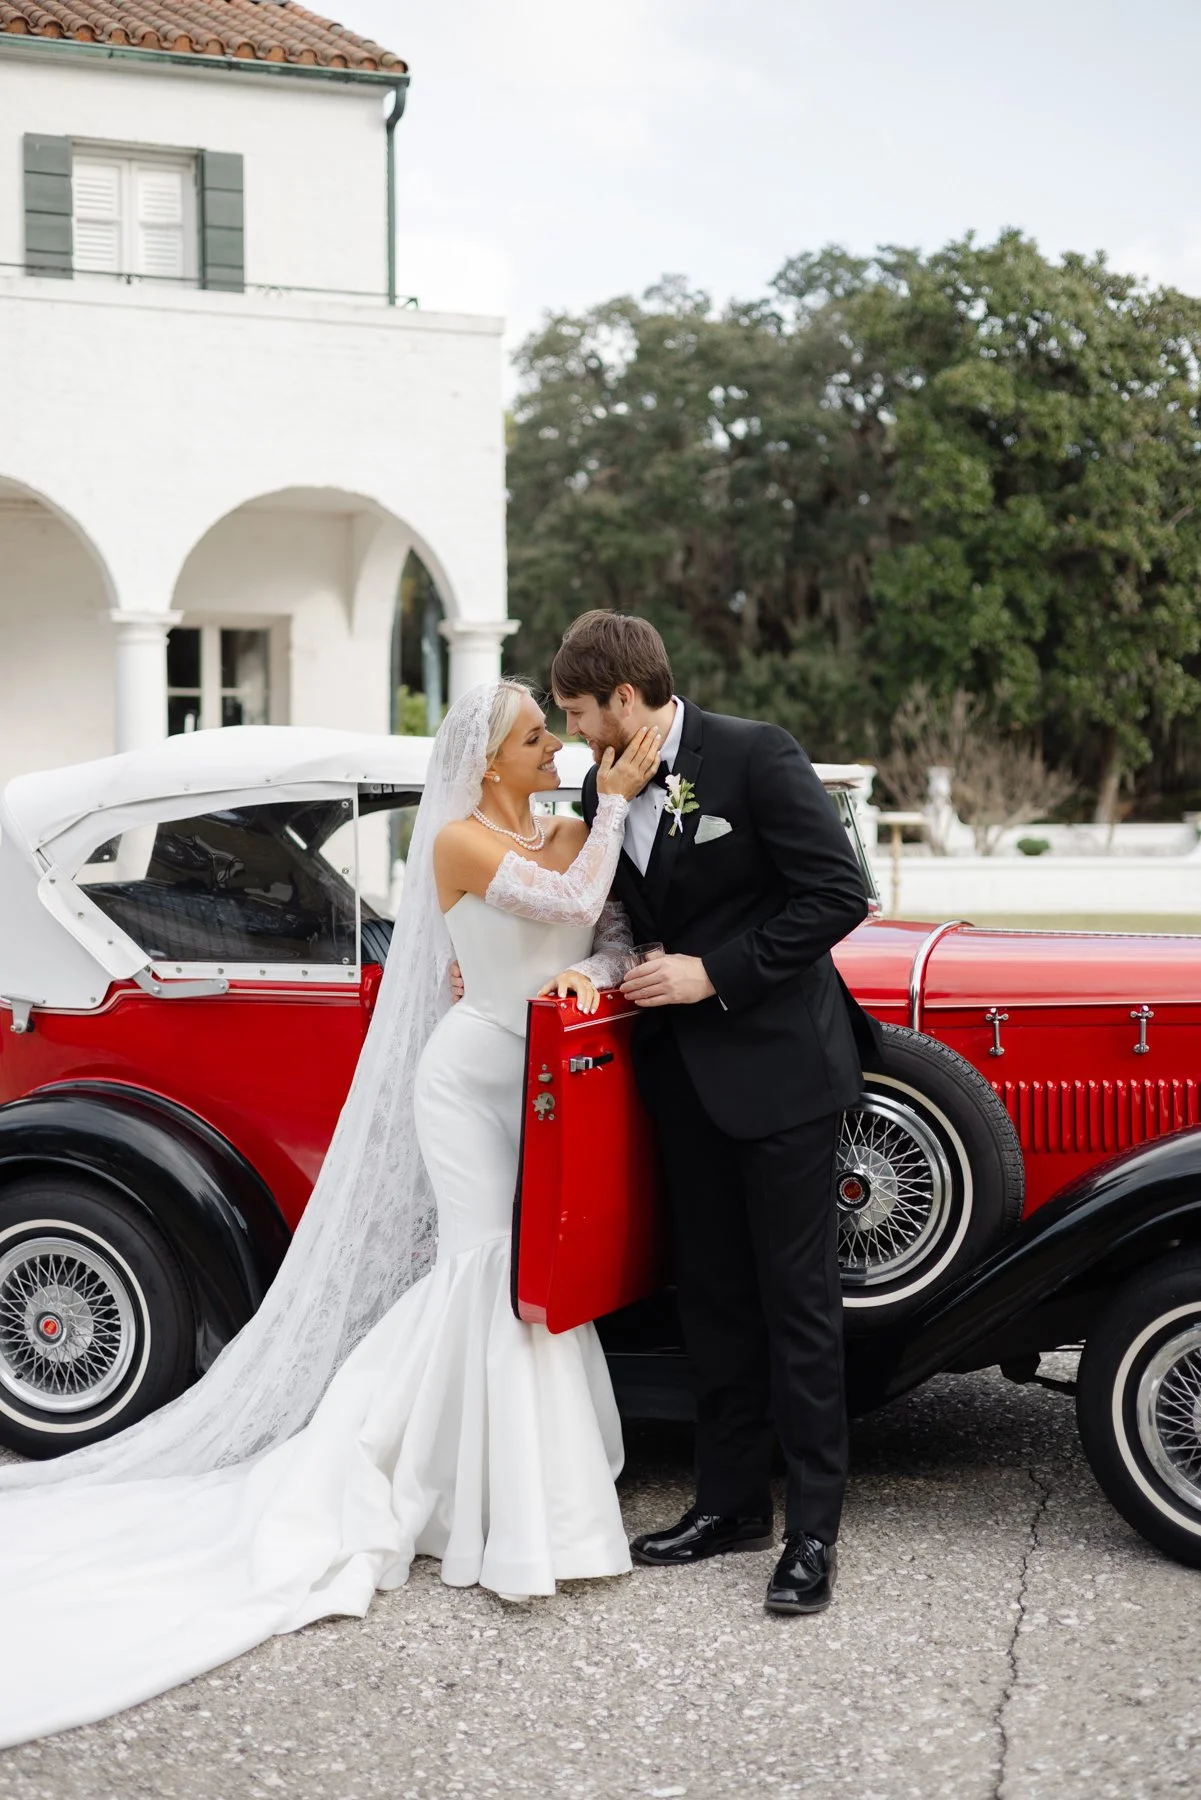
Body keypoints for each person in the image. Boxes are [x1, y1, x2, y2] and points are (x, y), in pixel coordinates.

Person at [0, 680, 660, 1748]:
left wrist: (587, 980)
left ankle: (504, 1488)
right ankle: (478, 1507)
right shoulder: (458, 843)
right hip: (466, 1080)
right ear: (491, 761)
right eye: (538, 738)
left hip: (543, 1079)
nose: (557, 751)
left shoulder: (567, 828)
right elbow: (553, 896)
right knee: (487, 1265)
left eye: (554, 735)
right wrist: (618, 807)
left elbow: (608, 927)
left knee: (534, 1269)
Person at [551, 610, 881, 1616]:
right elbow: (607, 910)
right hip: (679, 1083)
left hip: (782, 1072)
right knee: (713, 1298)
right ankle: (728, 1502)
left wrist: (714, 975)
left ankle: (813, 1534)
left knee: (799, 1306)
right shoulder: (594, 784)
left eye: (577, 712)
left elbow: (837, 893)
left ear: (624, 698)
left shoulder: (754, 755)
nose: (573, 734)